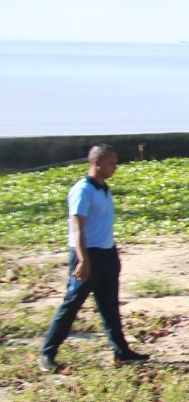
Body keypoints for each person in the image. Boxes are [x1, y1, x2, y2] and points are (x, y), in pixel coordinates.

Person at [39, 145, 148, 372]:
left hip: (107, 254)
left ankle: (122, 351)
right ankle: (47, 354)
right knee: (72, 305)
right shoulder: (82, 190)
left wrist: (112, 255)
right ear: (96, 163)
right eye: (111, 162)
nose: (115, 166)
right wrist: (83, 260)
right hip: (88, 255)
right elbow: (77, 228)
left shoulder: (103, 188)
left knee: (109, 306)